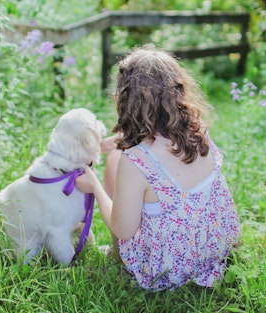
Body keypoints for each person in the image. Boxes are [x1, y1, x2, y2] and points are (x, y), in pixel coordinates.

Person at [75, 45, 241, 291]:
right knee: (119, 159)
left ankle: (117, 254)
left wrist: (95, 187)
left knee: (114, 161)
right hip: (216, 246)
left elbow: (124, 230)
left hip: (169, 267)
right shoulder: (198, 132)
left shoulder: (135, 161)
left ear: (124, 99)